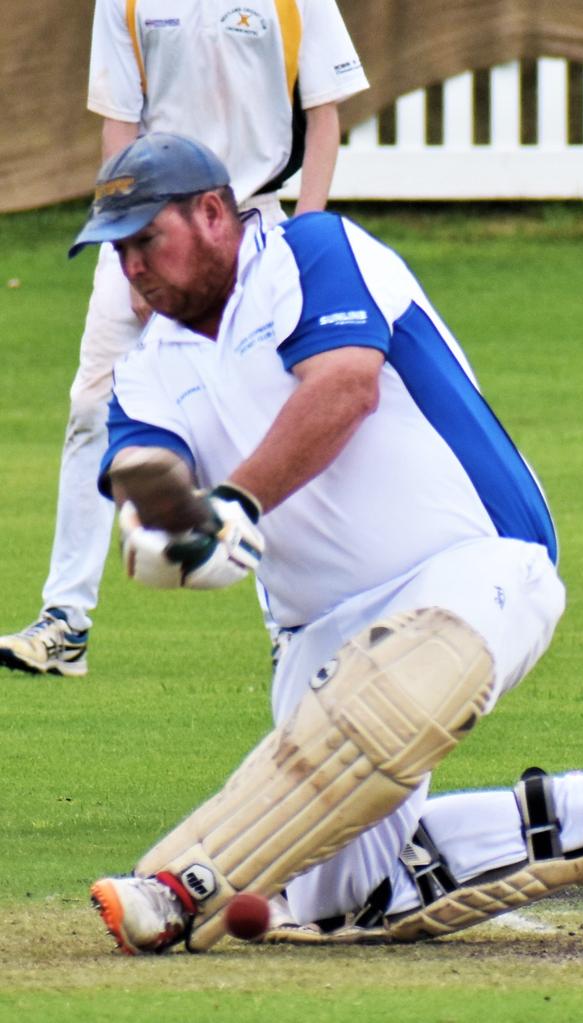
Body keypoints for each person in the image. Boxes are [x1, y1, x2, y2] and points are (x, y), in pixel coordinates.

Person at [69, 133, 583, 954]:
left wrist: (236, 503)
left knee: (392, 695)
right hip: (316, 633)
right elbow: (149, 477)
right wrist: (162, 532)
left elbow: (345, 388)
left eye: (147, 239)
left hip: (475, 562)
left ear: (214, 212)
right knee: (348, 896)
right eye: (119, 250)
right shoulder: (145, 369)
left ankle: (181, 881)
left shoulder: (314, 253)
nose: (132, 266)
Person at [0, 0, 368, 677]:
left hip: (256, 224)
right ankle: (65, 621)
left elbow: (324, 117)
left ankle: (293, 625)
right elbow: (121, 127)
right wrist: (129, 249)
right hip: (146, 222)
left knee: (268, 419)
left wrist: (304, 239)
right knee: (91, 407)